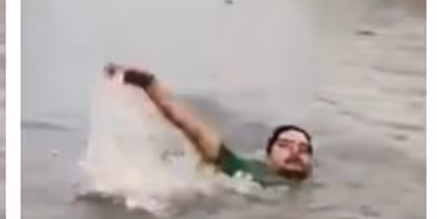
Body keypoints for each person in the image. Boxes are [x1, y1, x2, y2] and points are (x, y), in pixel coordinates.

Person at [103, 63, 313, 187]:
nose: (295, 152)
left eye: (303, 149)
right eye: (285, 145)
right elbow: (192, 127)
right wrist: (148, 83)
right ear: (269, 154)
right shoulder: (241, 170)